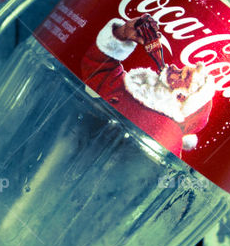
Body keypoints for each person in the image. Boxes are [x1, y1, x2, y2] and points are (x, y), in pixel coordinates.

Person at [81, 14, 215, 157]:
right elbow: (97, 68)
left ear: (181, 97)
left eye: (183, 74)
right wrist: (121, 34)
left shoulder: (167, 134)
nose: (175, 66)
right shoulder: (135, 89)